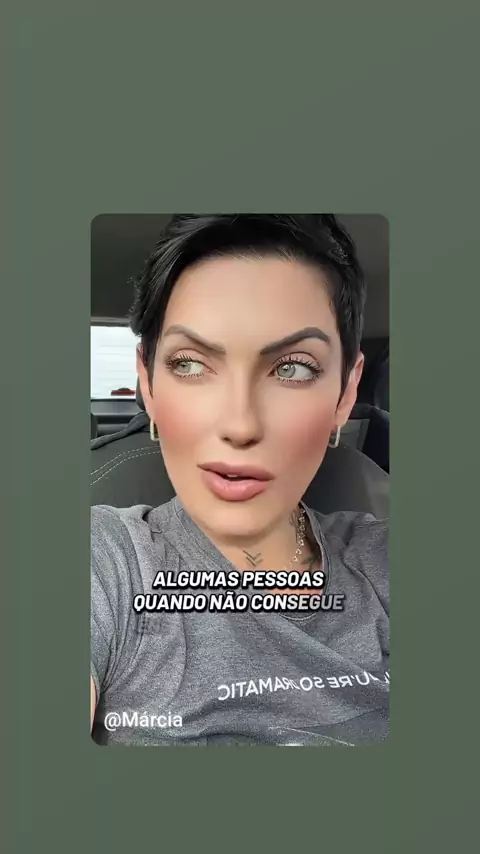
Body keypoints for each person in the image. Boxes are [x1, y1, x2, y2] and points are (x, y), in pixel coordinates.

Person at [91, 214, 389, 746]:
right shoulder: (103, 560)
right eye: (190, 364)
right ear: (148, 385)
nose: (241, 425)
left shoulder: (384, 560)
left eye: (293, 368)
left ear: (346, 394)